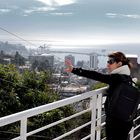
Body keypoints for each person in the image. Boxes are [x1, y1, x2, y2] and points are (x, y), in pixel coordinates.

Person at [65, 51, 134, 140]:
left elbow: (96, 75)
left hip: (116, 122)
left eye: (111, 62)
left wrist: (74, 70)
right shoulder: (127, 78)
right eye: (107, 62)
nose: (107, 65)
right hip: (125, 121)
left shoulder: (117, 78)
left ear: (119, 64)